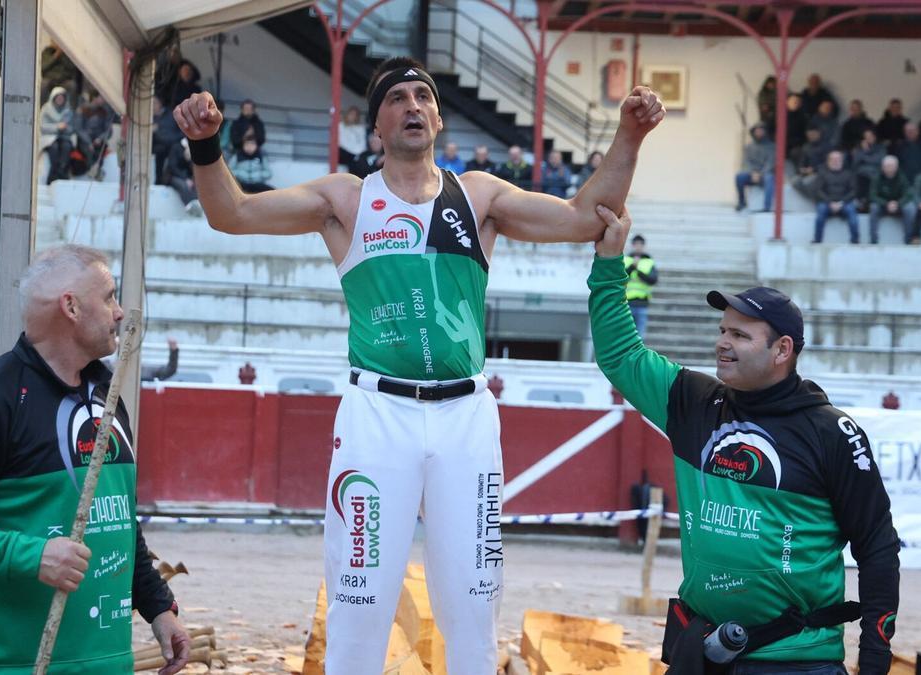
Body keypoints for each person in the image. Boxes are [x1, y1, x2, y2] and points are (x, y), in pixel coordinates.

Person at [172, 55, 663, 674]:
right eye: (397, 98)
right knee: (359, 602)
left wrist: (630, 135)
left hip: (464, 417)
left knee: (474, 604)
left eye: (423, 96)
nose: (413, 106)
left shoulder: (478, 195)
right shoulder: (346, 199)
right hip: (377, 414)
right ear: (376, 124)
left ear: (438, 117)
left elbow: (584, 218)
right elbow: (232, 214)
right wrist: (205, 145)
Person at [588, 205, 899, 674]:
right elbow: (619, 355)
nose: (722, 342)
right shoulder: (692, 400)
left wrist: (875, 655)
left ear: (782, 350)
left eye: (739, 334)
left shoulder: (832, 433)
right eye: (721, 331)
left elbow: (877, 546)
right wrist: (609, 263)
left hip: (796, 662)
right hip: (702, 650)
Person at [0, 245, 190, 674]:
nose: (119, 312)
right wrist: (32, 556)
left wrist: (158, 607)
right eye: (109, 297)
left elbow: (117, 518)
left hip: (104, 663)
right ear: (70, 307)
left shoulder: (106, 393)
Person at [813, 150, 859, 244]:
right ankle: (817, 241)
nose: (835, 161)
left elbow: (853, 191)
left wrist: (841, 202)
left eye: (838, 159)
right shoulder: (822, 173)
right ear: (828, 161)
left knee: (853, 215)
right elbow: (818, 191)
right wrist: (830, 202)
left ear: (842, 161)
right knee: (820, 214)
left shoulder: (849, 174)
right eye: (833, 159)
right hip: (826, 203)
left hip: (845, 203)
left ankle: (855, 241)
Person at [868, 156, 914, 245]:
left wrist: (898, 204)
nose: (889, 168)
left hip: (898, 206)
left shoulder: (902, 177)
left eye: (891, 166)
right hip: (883, 206)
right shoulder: (877, 177)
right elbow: (872, 196)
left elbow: (908, 195)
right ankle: (873, 241)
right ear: (882, 167)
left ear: (896, 166)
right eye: (887, 166)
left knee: (910, 208)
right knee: (873, 207)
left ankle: (908, 240)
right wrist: (886, 204)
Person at [735, 122, 774, 212]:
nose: (758, 133)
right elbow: (746, 162)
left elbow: (770, 163)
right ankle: (742, 202)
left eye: (761, 131)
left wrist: (760, 174)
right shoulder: (748, 147)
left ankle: (767, 207)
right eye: (757, 131)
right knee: (739, 177)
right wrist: (752, 173)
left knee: (769, 178)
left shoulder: (772, 147)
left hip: (764, 175)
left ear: (765, 132)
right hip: (751, 175)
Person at [39, 86, 74, 184]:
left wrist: (65, 128)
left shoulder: (68, 111)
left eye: (62, 98)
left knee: (67, 147)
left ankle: (62, 172)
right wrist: (57, 127)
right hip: (48, 138)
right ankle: (53, 174)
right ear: (53, 98)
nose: (60, 100)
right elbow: (42, 126)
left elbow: (72, 128)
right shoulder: (46, 109)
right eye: (58, 97)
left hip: (64, 137)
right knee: (54, 148)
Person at [623, 235, 657, 337]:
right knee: (627, 335)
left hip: (642, 303)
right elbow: (621, 278)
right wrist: (632, 267)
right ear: (632, 245)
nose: (638, 247)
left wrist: (638, 270)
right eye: (636, 244)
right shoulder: (625, 260)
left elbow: (653, 280)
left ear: (643, 246)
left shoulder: (649, 261)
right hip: (627, 304)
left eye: (640, 245)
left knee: (640, 336)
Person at [164, 138, 201, 214]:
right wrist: (185, 178)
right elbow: (172, 166)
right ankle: (189, 205)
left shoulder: (194, 150)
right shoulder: (176, 147)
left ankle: (196, 205)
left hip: (188, 177)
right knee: (183, 185)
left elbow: (194, 170)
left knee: (197, 185)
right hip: (174, 176)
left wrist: (189, 160)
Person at [152, 96, 183, 185]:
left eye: (154, 103)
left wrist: (157, 131)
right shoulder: (151, 117)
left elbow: (177, 134)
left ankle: (168, 179)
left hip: (173, 145)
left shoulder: (170, 115)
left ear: (160, 104)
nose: (152, 106)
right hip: (158, 147)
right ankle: (158, 180)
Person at [851, 128, 886, 206]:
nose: (867, 139)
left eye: (869, 136)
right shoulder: (859, 148)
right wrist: (864, 151)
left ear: (874, 137)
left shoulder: (880, 147)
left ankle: (871, 202)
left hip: (875, 173)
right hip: (861, 175)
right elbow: (855, 161)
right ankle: (860, 201)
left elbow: (877, 160)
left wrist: (865, 153)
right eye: (865, 137)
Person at [39, 40, 80, 105]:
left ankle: (73, 108)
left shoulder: (67, 53)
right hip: (50, 79)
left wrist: (62, 55)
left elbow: (71, 68)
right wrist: (55, 56)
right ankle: (41, 107)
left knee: (73, 85)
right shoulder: (47, 52)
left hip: (64, 80)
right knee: (43, 85)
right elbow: (43, 67)